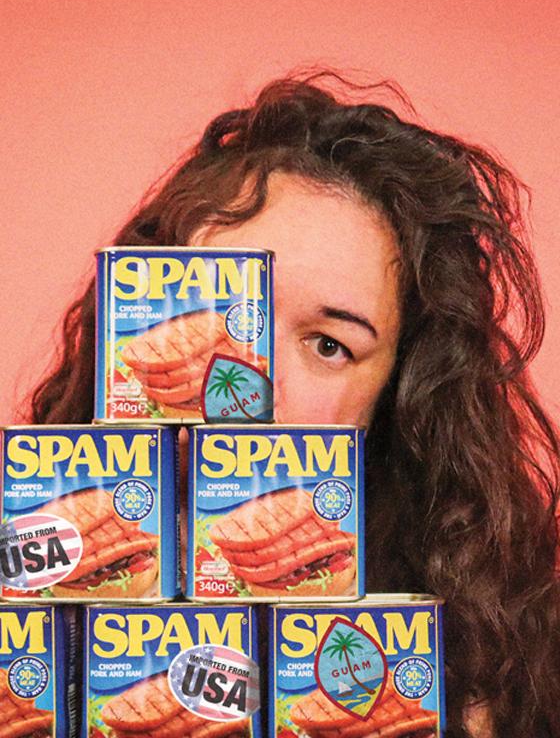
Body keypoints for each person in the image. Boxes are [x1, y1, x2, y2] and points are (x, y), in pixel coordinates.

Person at [26, 72, 560, 737]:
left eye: (330, 345)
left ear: (395, 399)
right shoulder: (30, 625)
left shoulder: (481, 673)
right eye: (217, 305)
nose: (252, 382)